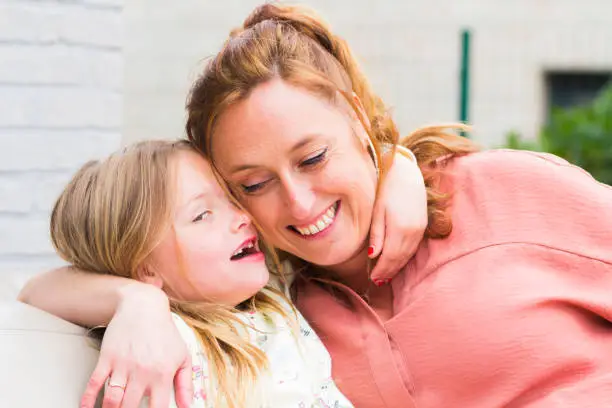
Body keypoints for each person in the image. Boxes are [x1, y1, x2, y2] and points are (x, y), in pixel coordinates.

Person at [22, 3, 612, 408]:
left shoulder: (506, 194)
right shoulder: (280, 296)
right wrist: (135, 299)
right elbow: (40, 287)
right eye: (253, 185)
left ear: (357, 118)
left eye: (312, 159)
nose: (299, 204)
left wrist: (397, 161)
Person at [44, 139, 360, 407]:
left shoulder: (268, 303)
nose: (242, 216)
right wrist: (138, 301)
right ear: (145, 268)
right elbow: (34, 292)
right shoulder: (164, 341)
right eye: (203, 214)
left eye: (232, 198)